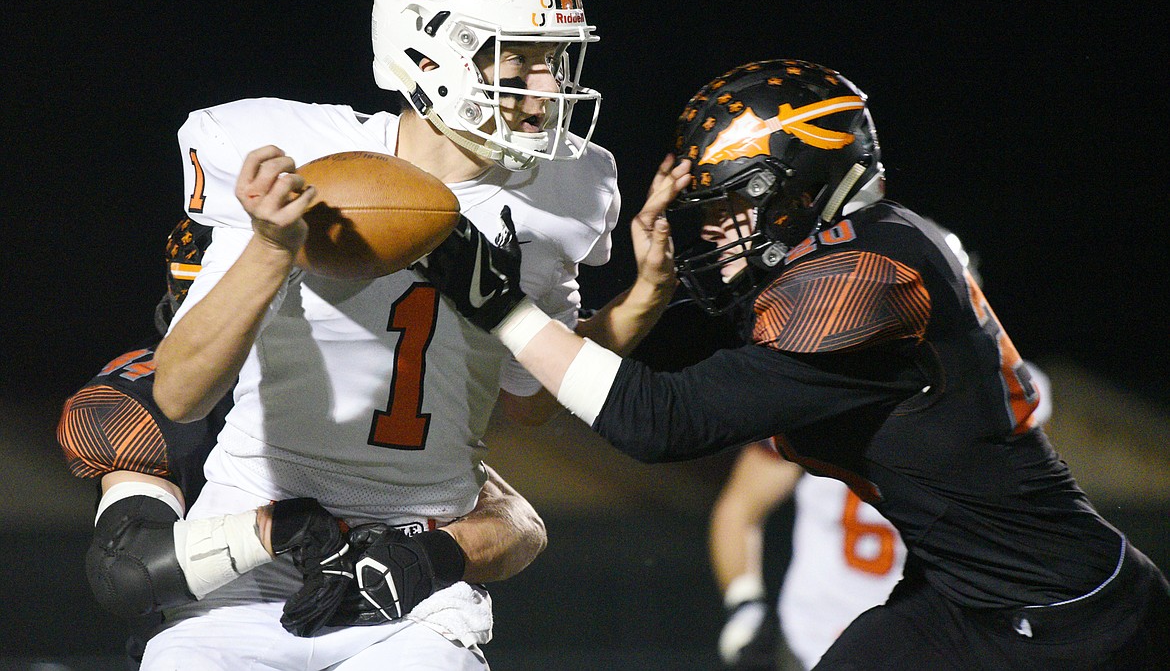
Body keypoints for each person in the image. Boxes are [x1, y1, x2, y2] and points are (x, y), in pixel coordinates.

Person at [414, 58, 1170, 669]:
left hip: (1072, 616)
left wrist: (500, 303)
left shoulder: (868, 277)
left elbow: (659, 420)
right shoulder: (856, 253)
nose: (713, 231)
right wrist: (650, 290)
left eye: (728, 205)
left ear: (796, 187)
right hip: (963, 594)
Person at [142, 0, 687, 670]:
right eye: (520, 60)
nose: (549, 88)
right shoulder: (297, 155)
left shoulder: (568, 186)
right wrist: (273, 247)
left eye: (555, 60)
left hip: (417, 572)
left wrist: (638, 305)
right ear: (430, 52)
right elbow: (178, 392)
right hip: (255, 547)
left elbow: (527, 398)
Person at [57, 218, 549, 665]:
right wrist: (281, 528)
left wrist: (426, 558)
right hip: (223, 613)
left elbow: (516, 521)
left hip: (383, 617)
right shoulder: (144, 404)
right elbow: (126, 570)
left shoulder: (345, 378)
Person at [709, 231, 1054, 671]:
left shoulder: (1010, 393)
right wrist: (746, 607)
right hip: (820, 641)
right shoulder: (821, 385)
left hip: (935, 643)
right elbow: (740, 508)